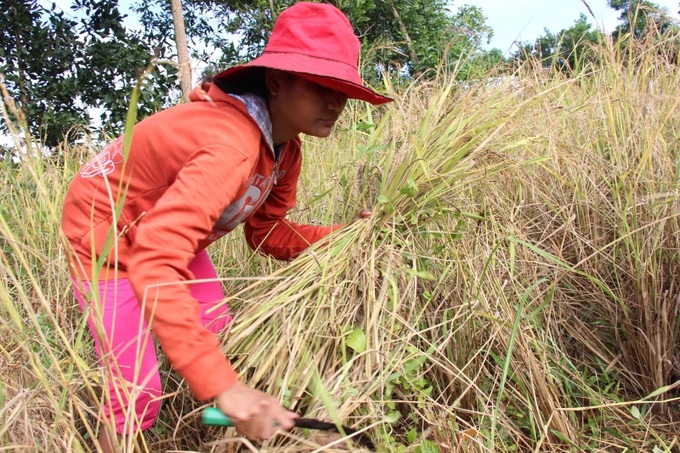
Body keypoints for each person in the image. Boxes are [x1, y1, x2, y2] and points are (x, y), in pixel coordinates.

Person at [61, 2, 391, 452]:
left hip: (168, 229)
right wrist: (223, 385)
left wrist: (346, 234)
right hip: (107, 237)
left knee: (219, 331)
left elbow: (268, 233)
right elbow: (155, 259)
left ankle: (215, 419)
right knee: (138, 397)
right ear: (277, 81)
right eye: (321, 86)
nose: (337, 102)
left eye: (344, 90)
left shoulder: (285, 151)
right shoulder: (228, 145)